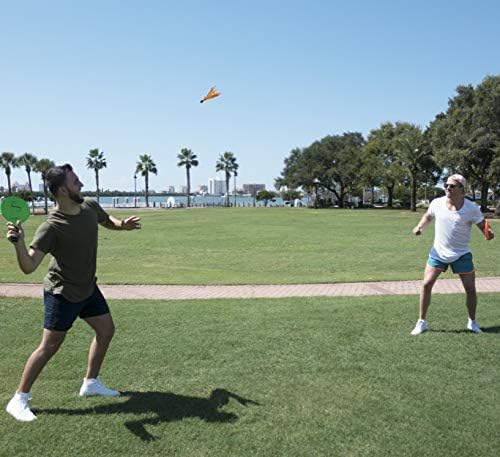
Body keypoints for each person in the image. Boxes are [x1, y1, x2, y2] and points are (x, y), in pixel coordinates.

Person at [5, 164, 141, 422]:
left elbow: (106, 220)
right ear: (63, 190)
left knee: (106, 330)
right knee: (50, 346)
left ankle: (91, 383)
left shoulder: (89, 206)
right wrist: (19, 243)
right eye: (76, 181)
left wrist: (122, 225)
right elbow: (29, 266)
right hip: (62, 292)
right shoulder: (51, 226)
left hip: (87, 287)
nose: (81, 184)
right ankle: (19, 398)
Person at [410, 174, 494, 335]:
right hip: (438, 252)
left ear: (462, 190)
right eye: (446, 185)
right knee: (426, 284)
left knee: (470, 289)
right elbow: (428, 216)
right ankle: (421, 322)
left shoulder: (471, 208)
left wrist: (488, 232)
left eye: (452, 186)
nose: (448, 188)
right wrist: (419, 227)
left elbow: (483, 225)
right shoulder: (437, 203)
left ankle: (472, 322)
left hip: (461, 254)